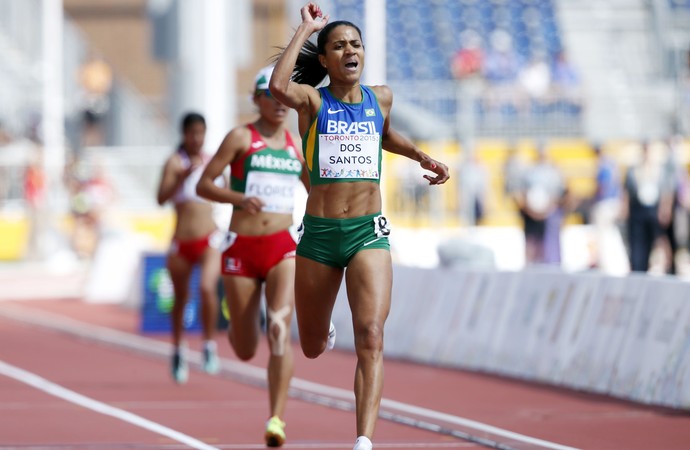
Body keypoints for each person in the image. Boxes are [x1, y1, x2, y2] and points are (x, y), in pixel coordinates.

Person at [268, 4, 450, 450]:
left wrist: (419, 156)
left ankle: (364, 441)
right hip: (321, 235)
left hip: (368, 231)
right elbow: (277, 87)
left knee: (371, 334)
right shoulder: (312, 101)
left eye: (356, 44)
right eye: (339, 46)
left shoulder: (380, 97)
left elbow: (385, 135)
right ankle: (322, 328)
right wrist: (307, 29)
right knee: (310, 345)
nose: (350, 50)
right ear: (326, 60)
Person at [196, 66, 308, 448]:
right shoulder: (241, 137)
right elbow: (204, 184)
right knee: (245, 350)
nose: (278, 104)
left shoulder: (296, 145)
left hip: (282, 248)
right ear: (257, 99)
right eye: (270, 96)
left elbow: (320, 192)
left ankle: (276, 419)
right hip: (242, 249)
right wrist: (240, 198)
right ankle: (237, 316)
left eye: (283, 98)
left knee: (279, 327)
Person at [156, 112, 222, 384]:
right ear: (183, 135)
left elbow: (228, 189)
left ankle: (208, 345)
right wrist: (181, 178)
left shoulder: (211, 161)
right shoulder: (175, 162)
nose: (197, 138)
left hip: (209, 239)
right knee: (181, 299)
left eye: (201, 133)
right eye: (192, 133)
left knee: (207, 289)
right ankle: (178, 349)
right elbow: (161, 198)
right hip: (182, 241)